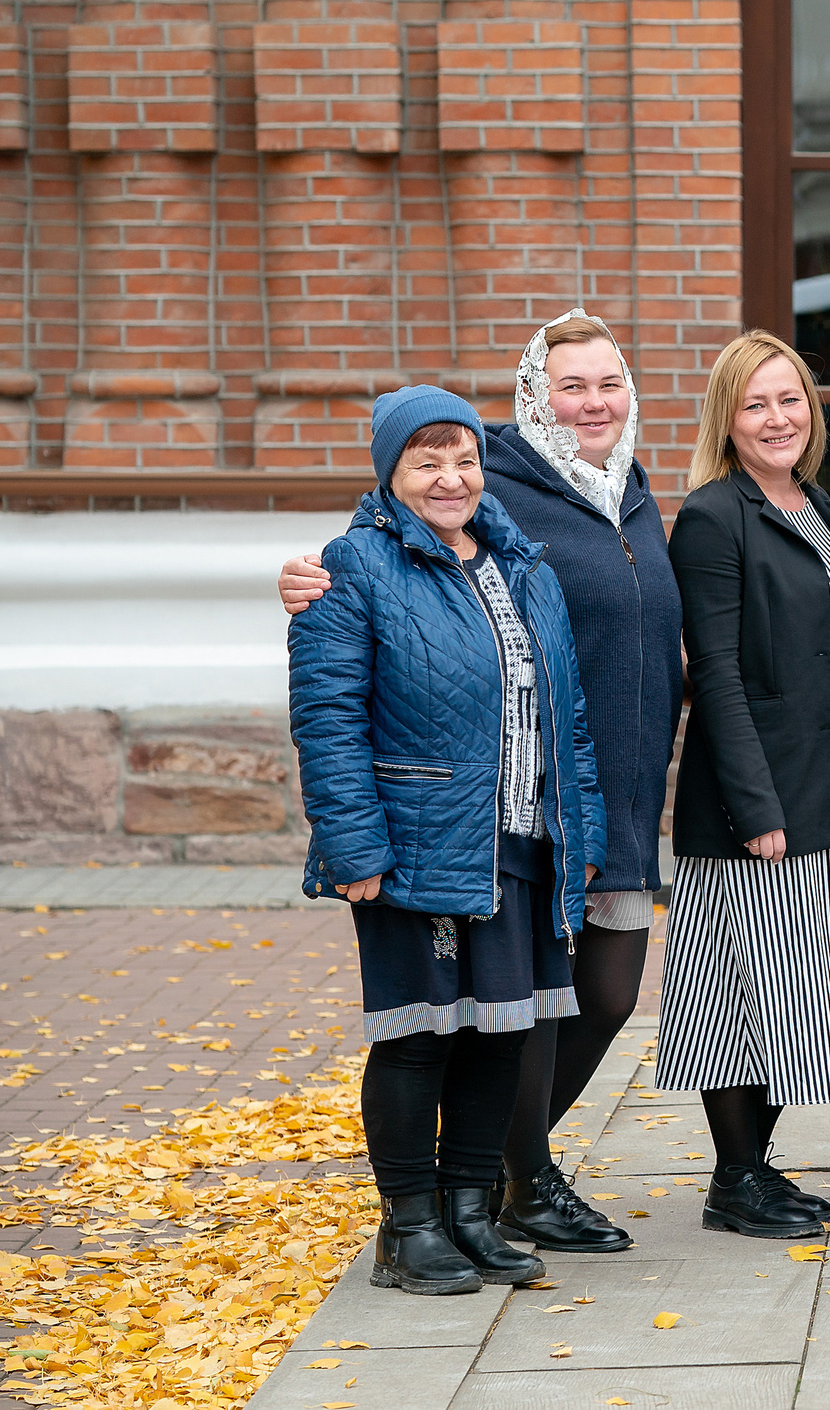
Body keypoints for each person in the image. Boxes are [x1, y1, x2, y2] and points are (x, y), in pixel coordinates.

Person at [279, 311, 680, 1255]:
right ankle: (424, 1219)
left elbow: (564, 704)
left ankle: (476, 1203)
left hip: (545, 827)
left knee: (513, 1023)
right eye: (426, 463)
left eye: (608, 383)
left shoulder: (557, 536)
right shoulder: (391, 545)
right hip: (430, 831)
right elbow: (330, 713)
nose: (450, 477)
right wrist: (354, 847)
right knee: (425, 1030)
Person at [657, 331, 830, 1239]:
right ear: (728, 421)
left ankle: (750, 1169)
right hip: (757, 799)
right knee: (736, 997)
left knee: (794, 998)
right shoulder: (713, 515)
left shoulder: (820, 506)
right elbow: (716, 671)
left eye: (790, 400)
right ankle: (735, 1177)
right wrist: (755, 807)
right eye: (756, 405)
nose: (777, 418)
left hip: (825, 781)